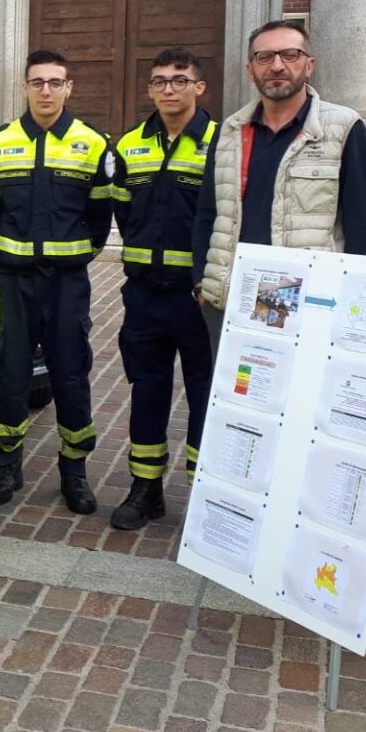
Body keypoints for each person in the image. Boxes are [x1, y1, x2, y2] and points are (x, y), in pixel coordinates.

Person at [0, 51, 115, 514]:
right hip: (13, 284)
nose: (46, 91)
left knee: (71, 376)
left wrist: (72, 255)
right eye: (37, 82)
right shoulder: (0, 142)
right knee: (10, 376)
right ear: (24, 87)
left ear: (69, 87)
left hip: (66, 285)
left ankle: (74, 474)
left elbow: (100, 217)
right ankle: (8, 467)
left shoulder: (92, 143)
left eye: (55, 82)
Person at [192, 20, 366, 348]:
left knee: (294, 394)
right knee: (236, 393)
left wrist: (347, 301)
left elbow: (362, 225)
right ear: (251, 69)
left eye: (290, 55)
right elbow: (208, 212)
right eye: (264, 57)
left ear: (309, 66)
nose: (277, 65)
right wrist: (201, 284)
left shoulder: (343, 127)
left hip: (302, 299)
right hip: (231, 294)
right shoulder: (230, 131)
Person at [107, 48, 216, 530]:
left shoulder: (222, 143)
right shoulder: (130, 145)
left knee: (205, 396)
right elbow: (122, 211)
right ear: (150, 89)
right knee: (147, 392)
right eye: (159, 82)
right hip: (146, 295)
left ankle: (204, 496)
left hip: (200, 299)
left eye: (179, 80)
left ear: (199, 87)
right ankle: (145, 490)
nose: (168, 89)